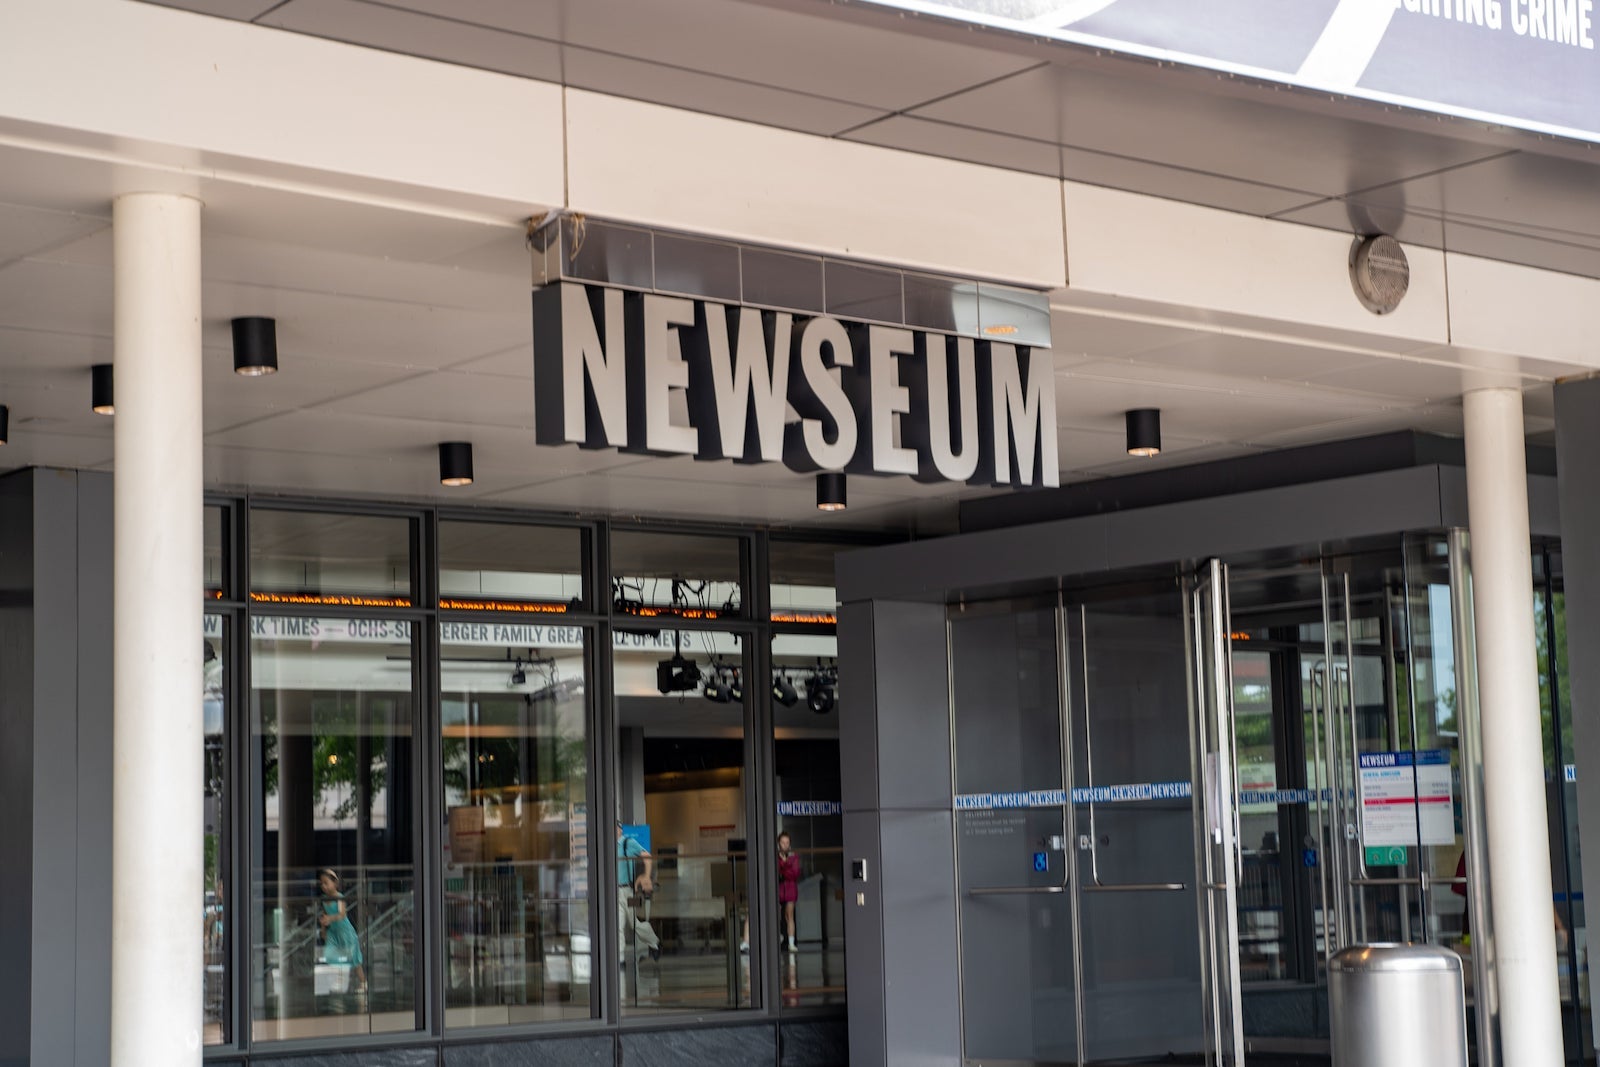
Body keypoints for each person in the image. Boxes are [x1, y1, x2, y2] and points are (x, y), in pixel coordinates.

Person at [316, 868, 366, 993]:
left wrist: (330, 919)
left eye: (326, 883)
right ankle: (340, 979)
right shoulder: (324, 899)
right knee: (333, 955)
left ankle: (363, 982)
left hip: (345, 932)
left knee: (354, 959)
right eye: (321, 884)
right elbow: (324, 916)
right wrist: (323, 929)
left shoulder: (339, 897)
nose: (324, 886)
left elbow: (342, 914)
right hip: (333, 932)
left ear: (335, 883)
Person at [617, 821, 661, 963]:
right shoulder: (608, 846)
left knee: (634, 924)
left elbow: (647, 857)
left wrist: (646, 876)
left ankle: (655, 942)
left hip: (628, 891)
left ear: (619, 830)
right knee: (618, 926)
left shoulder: (627, 843)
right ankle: (620, 960)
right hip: (614, 891)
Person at [777, 832, 801, 953]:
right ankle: (778, 937)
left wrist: (784, 865)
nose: (785, 845)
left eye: (787, 842)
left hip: (790, 888)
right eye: (782, 842)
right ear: (778, 843)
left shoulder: (794, 856)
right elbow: (776, 872)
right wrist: (786, 867)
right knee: (775, 915)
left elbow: (794, 874)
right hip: (779, 888)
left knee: (789, 915)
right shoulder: (775, 856)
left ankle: (791, 943)